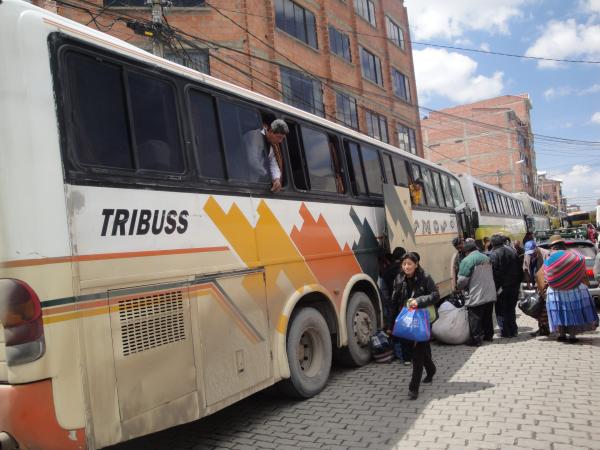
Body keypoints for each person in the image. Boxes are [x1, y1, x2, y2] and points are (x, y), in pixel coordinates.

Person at [386, 252, 439, 400]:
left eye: (409, 264)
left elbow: (435, 295)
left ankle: (413, 388)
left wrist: (419, 301)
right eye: (404, 264)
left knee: (417, 354)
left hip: (423, 319)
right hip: (406, 320)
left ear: (416, 264)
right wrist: (390, 324)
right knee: (417, 351)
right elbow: (393, 303)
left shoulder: (425, 277)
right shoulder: (399, 278)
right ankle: (431, 369)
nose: (406, 267)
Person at [542, 235, 599, 342]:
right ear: (563, 245)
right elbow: (582, 268)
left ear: (553, 247)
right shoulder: (575, 255)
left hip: (555, 291)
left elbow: (546, 274)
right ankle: (572, 336)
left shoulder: (549, 257)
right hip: (574, 289)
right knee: (573, 312)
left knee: (559, 312)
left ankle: (561, 335)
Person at [457, 240, 497, 346]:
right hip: (489, 292)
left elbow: (462, 280)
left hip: (476, 294)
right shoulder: (486, 257)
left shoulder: (467, 260)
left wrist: (459, 287)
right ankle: (488, 336)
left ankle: (476, 340)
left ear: (466, 251)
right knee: (487, 316)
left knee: (475, 318)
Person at [488, 234, 521, 338]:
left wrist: (495, 287)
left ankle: (505, 331)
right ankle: (513, 330)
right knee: (511, 308)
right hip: (514, 285)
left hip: (501, 287)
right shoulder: (512, 250)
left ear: (492, 243)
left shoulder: (493, 254)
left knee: (501, 309)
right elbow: (519, 268)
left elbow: (494, 273)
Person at [243, 119, 289, 192]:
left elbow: (274, 164)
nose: (280, 141)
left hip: (253, 181)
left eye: (282, 138)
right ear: (270, 132)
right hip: (241, 178)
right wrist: (267, 175)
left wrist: (276, 179)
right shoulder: (254, 136)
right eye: (279, 137)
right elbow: (252, 160)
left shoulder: (273, 145)